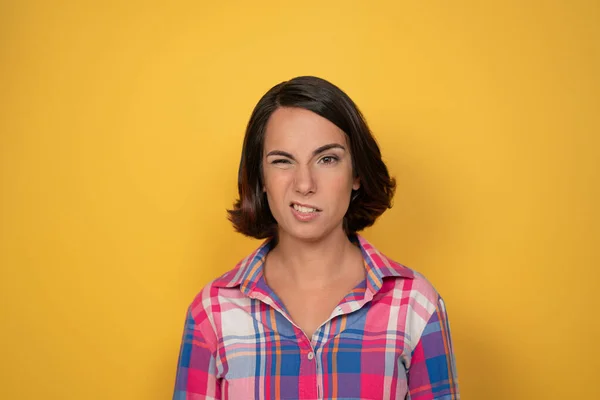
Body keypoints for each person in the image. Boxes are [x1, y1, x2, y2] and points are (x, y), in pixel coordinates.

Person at [173, 76, 459, 399]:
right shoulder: (212, 313)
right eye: (282, 161)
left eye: (327, 159)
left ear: (356, 175)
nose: (305, 184)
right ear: (261, 179)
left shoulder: (416, 307)